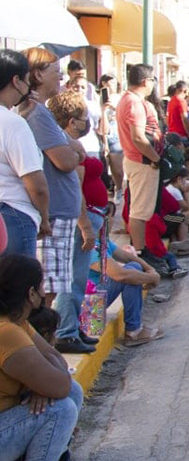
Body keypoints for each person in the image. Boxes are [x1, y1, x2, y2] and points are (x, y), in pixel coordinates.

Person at [0, 255, 84, 461]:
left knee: (70, 391)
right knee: (60, 408)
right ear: (30, 293)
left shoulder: (18, 323)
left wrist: (36, 384)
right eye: (41, 285)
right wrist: (37, 384)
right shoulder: (7, 332)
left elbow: (56, 361)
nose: (45, 290)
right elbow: (57, 384)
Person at [20, 50, 91, 327]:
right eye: (56, 71)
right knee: (48, 291)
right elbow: (65, 162)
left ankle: (63, 334)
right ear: (37, 75)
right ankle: (63, 335)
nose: (62, 77)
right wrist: (74, 153)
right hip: (56, 214)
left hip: (66, 212)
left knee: (59, 285)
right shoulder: (38, 115)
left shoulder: (41, 113)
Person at [45, 91, 105, 354]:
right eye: (82, 117)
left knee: (77, 278)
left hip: (91, 216)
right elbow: (75, 189)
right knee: (73, 278)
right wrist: (86, 226)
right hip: (81, 220)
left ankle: (74, 327)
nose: (86, 122)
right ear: (70, 120)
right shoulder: (66, 148)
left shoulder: (67, 143)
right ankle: (67, 331)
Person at [0, 50, 50, 260]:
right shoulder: (13, 124)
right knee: (16, 288)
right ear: (16, 81)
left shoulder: (13, 120)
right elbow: (36, 185)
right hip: (14, 214)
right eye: (27, 80)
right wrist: (44, 218)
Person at [115, 64, 163, 263]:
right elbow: (138, 138)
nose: (153, 84)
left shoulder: (129, 100)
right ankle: (140, 251)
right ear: (146, 81)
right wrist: (155, 158)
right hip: (142, 161)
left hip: (138, 160)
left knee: (140, 210)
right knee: (139, 211)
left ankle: (141, 249)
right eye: (152, 80)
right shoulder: (134, 103)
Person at [90, 239, 164, 345]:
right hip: (88, 316)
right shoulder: (88, 245)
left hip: (90, 308)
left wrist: (151, 270)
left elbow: (128, 257)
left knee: (134, 266)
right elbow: (120, 275)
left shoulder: (99, 238)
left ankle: (134, 329)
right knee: (130, 275)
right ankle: (134, 331)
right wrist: (152, 278)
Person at [98, 75, 124, 195]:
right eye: (108, 84)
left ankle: (118, 188)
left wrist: (115, 109)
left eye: (114, 83)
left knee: (117, 168)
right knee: (104, 166)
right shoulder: (98, 98)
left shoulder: (120, 98)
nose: (111, 86)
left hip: (116, 132)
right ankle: (109, 188)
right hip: (102, 130)